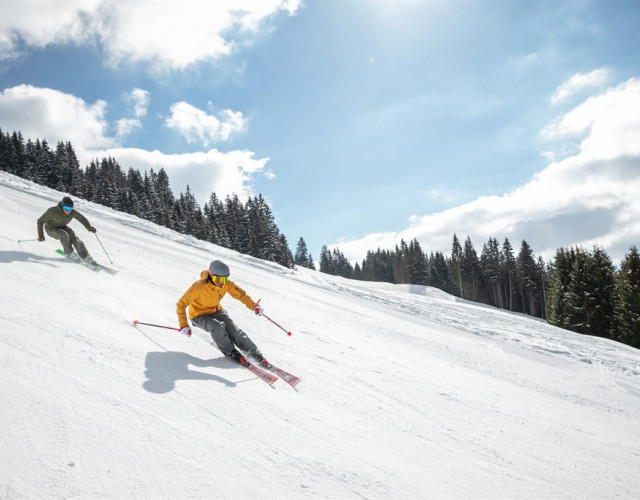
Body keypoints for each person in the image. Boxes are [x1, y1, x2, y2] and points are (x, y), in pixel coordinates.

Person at [176, 260, 268, 366]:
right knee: (217, 326)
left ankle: (253, 352)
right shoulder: (198, 287)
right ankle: (230, 351)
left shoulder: (226, 284)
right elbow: (181, 304)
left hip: (216, 310)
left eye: (224, 279)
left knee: (233, 329)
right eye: (218, 279)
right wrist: (183, 325)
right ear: (211, 275)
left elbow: (241, 295)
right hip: (198, 315)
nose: (221, 282)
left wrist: (254, 306)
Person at [37, 196, 98, 264]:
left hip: (62, 227)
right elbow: (40, 221)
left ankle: (85, 256)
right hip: (51, 228)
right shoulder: (52, 211)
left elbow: (82, 219)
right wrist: (41, 235)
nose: (67, 211)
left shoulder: (72, 212)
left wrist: (89, 227)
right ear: (62, 206)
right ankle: (70, 253)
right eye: (65, 208)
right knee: (64, 235)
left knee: (73, 237)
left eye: (70, 209)